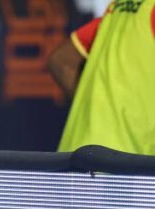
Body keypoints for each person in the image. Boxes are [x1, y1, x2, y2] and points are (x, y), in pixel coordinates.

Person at [49, 1, 155, 155]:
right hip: (130, 162)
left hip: (79, 155)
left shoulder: (122, 8)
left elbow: (62, 61)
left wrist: (95, 109)